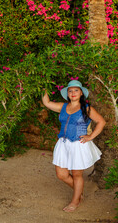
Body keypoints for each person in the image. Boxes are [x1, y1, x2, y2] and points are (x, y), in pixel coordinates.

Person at [42, 80, 106, 212]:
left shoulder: (87, 108)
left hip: (78, 144)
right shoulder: (63, 106)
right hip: (63, 144)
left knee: (77, 174)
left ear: (81, 93)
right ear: (67, 94)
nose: (73, 93)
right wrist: (42, 85)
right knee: (61, 174)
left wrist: (90, 136)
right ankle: (79, 193)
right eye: (70, 91)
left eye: (76, 90)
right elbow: (47, 103)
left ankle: (75, 201)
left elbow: (101, 121)